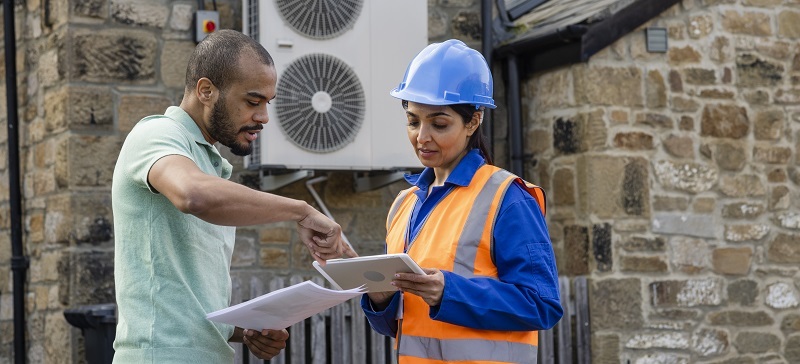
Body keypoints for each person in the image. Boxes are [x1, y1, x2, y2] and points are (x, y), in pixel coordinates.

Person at [111, 29, 354, 363]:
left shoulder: (213, 167)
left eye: (267, 104)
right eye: (253, 102)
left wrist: (243, 330)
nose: (263, 117)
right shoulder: (155, 134)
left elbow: (185, 297)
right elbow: (192, 194)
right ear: (206, 90)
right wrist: (300, 209)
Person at [360, 39, 563, 363]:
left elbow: (542, 305)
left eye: (439, 124)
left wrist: (448, 292)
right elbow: (401, 327)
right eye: (413, 121)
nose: (422, 136)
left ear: (473, 121)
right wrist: (381, 299)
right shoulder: (403, 204)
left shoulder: (508, 198)